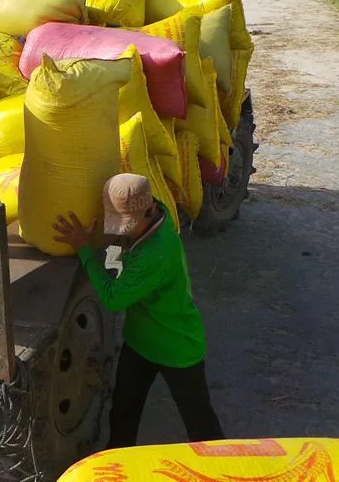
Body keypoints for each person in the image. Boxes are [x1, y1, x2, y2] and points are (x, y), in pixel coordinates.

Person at [52, 174, 225, 448]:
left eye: (125, 223)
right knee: (122, 415)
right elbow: (118, 258)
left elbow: (111, 298)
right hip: (140, 343)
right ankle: (118, 467)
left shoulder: (155, 253)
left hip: (177, 347)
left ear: (149, 210)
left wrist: (84, 249)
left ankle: (223, 469)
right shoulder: (156, 213)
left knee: (201, 427)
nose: (121, 229)